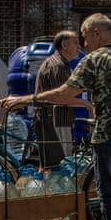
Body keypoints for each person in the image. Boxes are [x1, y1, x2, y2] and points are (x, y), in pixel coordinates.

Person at [0, 13, 111, 220]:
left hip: (109, 136)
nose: (84, 44)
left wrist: (26, 99)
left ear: (97, 34)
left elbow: (65, 94)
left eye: (85, 37)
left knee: (108, 194)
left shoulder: (95, 59)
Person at [33, 30, 80, 168]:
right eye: (75, 43)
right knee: (59, 166)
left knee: (58, 164)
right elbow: (61, 98)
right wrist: (85, 103)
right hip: (54, 121)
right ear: (64, 45)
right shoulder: (57, 66)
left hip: (58, 120)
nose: (79, 47)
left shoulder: (62, 64)